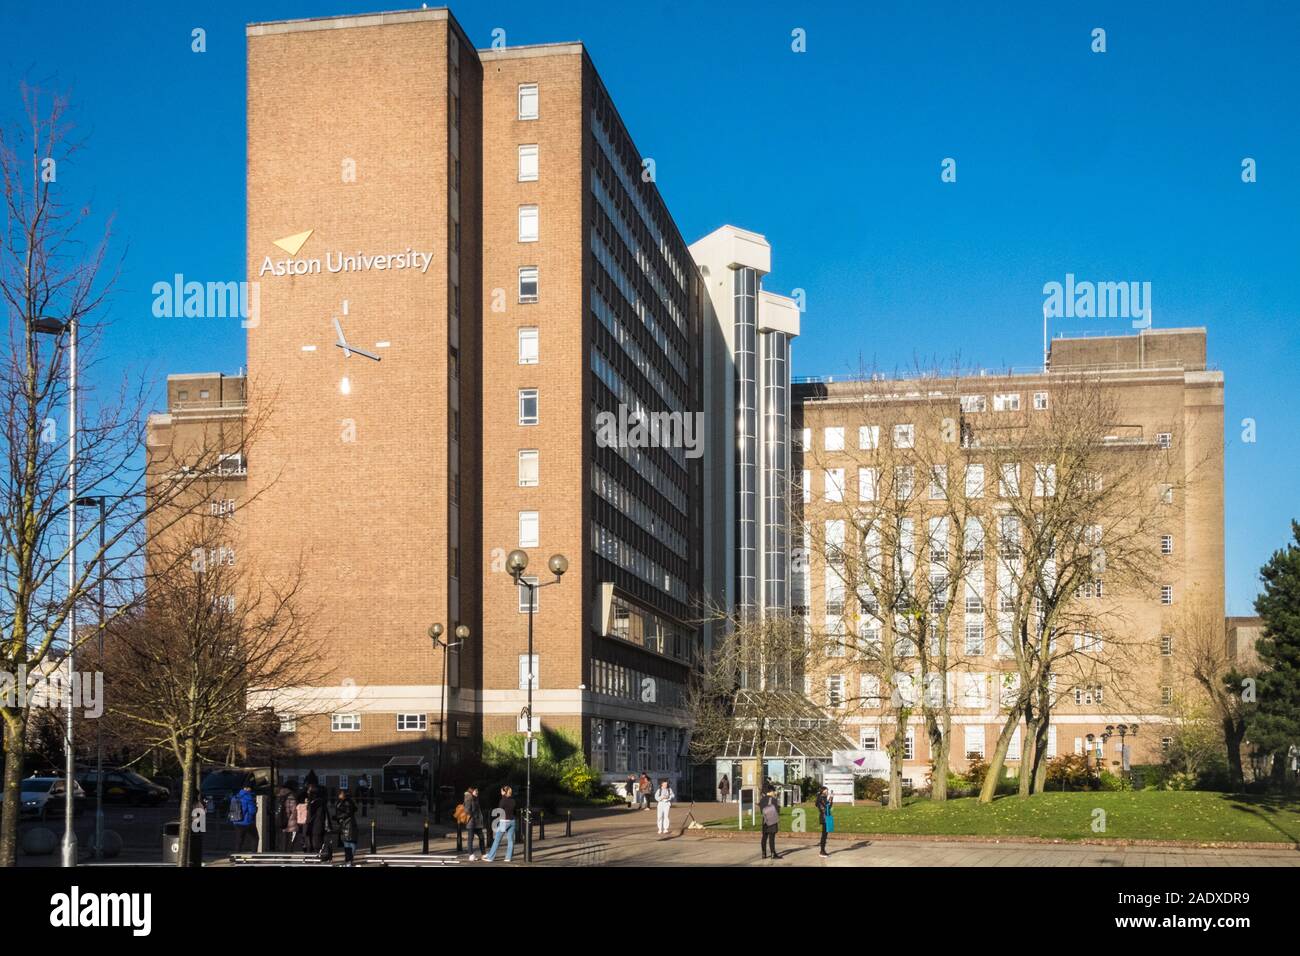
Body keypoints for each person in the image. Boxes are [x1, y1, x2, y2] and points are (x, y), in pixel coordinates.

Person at [483, 785, 517, 862]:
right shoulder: (513, 800)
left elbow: (499, 811)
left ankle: (490, 857)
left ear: (504, 792)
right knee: (510, 840)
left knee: (497, 840)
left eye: (501, 791)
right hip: (512, 821)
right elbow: (515, 811)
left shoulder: (503, 800)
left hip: (504, 822)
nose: (500, 792)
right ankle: (508, 858)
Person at [332, 788, 359, 865]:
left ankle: (349, 861)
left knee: (350, 842)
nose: (339, 795)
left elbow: (348, 812)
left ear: (343, 794)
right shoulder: (342, 801)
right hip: (345, 824)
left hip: (349, 824)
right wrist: (338, 817)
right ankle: (348, 860)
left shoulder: (347, 801)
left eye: (340, 793)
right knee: (347, 842)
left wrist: (338, 817)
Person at [231, 781, 259, 853]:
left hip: (236, 821)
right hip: (247, 822)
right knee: (255, 838)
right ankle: (253, 855)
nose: (251, 790)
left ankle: (237, 856)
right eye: (250, 788)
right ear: (247, 788)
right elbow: (252, 811)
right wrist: (256, 807)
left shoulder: (236, 796)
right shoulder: (248, 797)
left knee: (239, 840)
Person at [462, 786, 486, 860]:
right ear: (472, 791)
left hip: (477, 822)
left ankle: (483, 854)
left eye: (477, 791)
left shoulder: (475, 798)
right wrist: (473, 815)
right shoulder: (469, 798)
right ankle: (471, 854)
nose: (477, 792)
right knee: (470, 838)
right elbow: (466, 810)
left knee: (481, 837)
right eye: (476, 791)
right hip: (471, 822)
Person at [302, 783, 326, 854]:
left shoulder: (318, 802)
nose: (307, 793)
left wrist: (308, 804)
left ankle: (314, 860)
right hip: (311, 827)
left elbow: (311, 813)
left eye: (309, 792)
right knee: (309, 845)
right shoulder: (315, 802)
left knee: (314, 845)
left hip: (315, 827)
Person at [759, 786, 781, 860]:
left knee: (764, 837)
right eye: (773, 791)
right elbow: (778, 811)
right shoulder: (774, 800)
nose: (774, 792)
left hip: (765, 821)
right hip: (772, 821)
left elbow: (761, 811)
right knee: (772, 838)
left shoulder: (761, 800)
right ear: (771, 791)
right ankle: (772, 853)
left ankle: (763, 853)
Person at [815, 785, 834, 858]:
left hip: (826, 816)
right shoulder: (822, 798)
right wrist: (831, 798)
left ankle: (823, 851)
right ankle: (822, 851)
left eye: (827, 791)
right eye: (826, 791)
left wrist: (831, 798)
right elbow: (827, 807)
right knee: (824, 835)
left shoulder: (823, 798)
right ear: (823, 791)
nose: (827, 792)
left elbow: (829, 806)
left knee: (825, 835)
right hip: (825, 817)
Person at [281, 787, 300, 851]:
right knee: (291, 841)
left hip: (285, 823)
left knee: (285, 841)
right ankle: (287, 855)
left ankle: (285, 855)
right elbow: (291, 811)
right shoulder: (292, 798)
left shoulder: (285, 798)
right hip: (291, 824)